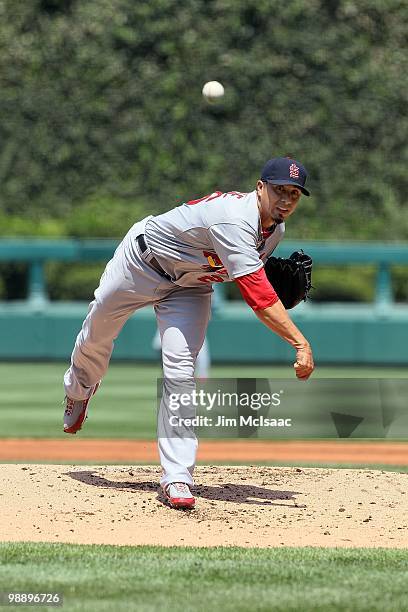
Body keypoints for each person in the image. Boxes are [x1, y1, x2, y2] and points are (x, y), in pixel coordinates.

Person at [63, 156, 315, 509]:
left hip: (191, 287)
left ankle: (177, 476)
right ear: (260, 188)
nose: (286, 200)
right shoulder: (234, 220)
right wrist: (299, 342)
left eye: (294, 194)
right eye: (279, 191)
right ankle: (78, 388)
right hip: (141, 263)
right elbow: (258, 296)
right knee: (97, 333)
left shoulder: (276, 231)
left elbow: (248, 280)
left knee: (181, 372)